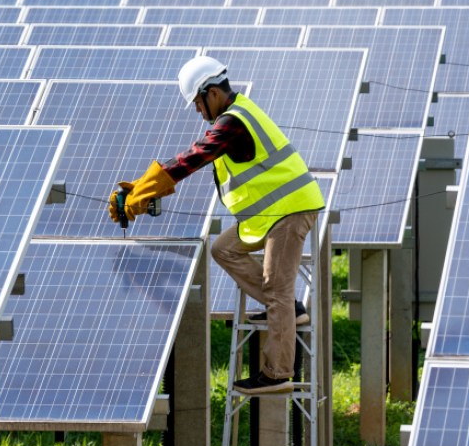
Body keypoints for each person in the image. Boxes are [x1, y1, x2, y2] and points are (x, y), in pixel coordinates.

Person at [108, 55, 325, 394]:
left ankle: (278, 372)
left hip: (291, 211)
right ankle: (284, 309)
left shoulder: (232, 123)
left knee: (277, 285)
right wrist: (141, 186)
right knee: (223, 248)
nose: (197, 110)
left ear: (211, 92)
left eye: (197, 101)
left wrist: (147, 187)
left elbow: (194, 157)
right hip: (271, 215)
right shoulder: (236, 114)